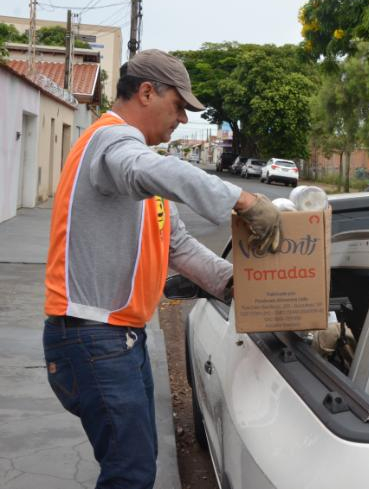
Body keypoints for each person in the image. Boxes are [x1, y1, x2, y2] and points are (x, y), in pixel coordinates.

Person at [41, 49, 280, 489]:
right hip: (93, 336)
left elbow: (178, 246)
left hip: (119, 338)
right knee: (130, 474)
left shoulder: (141, 174)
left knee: (136, 465)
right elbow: (148, 167)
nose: (183, 119)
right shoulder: (111, 142)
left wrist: (232, 283)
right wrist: (242, 200)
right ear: (147, 92)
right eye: (179, 106)